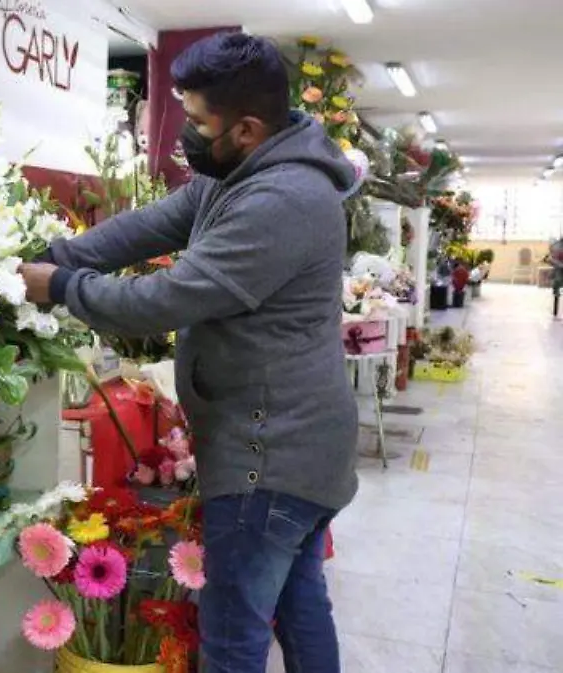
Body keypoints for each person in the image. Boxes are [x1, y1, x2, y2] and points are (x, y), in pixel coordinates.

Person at [19, 32, 358, 673]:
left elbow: (167, 299)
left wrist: (61, 287)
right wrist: (52, 255)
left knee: (231, 636)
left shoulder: (282, 199)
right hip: (298, 446)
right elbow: (147, 227)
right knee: (300, 604)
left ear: (249, 128)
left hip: (272, 458)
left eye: (200, 122)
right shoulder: (239, 170)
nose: (189, 136)